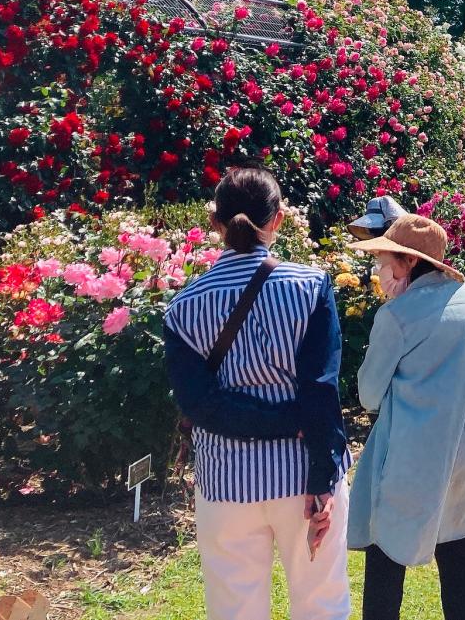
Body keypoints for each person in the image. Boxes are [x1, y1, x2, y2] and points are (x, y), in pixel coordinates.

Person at [164, 166, 350, 620]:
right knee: (320, 603)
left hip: (226, 481)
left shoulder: (183, 307)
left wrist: (279, 421)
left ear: (216, 223)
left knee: (234, 609)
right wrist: (321, 471)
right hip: (303, 474)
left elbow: (200, 404)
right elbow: (321, 390)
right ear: (279, 218)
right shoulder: (309, 286)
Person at [347, 214, 465, 620]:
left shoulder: (397, 317)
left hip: (409, 464)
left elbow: (369, 394)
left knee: (385, 565)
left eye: (384, 259)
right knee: (461, 562)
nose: (379, 268)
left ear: (409, 262)